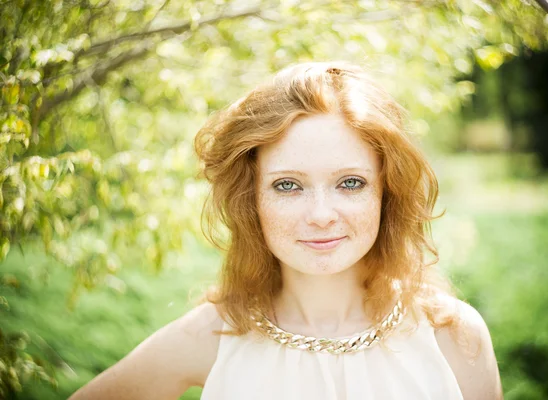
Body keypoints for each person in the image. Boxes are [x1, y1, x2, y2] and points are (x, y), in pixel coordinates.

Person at [69, 61, 503, 399]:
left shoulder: (452, 335)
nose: (320, 214)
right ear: (251, 199)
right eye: (288, 185)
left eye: (350, 183)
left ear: (385, 193)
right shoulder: (212, 336)